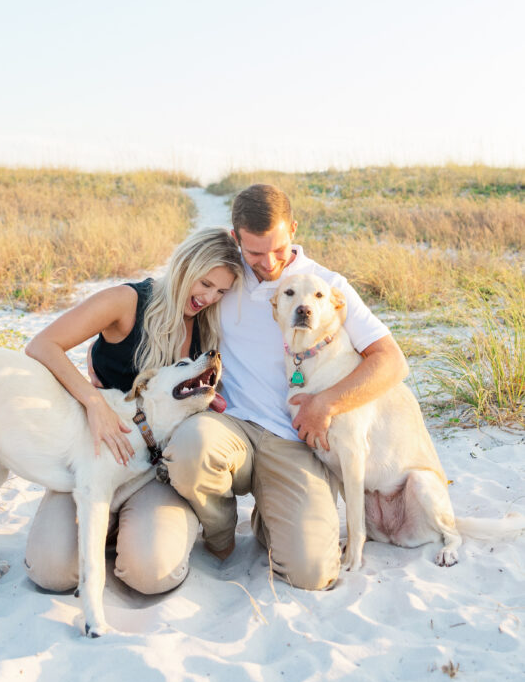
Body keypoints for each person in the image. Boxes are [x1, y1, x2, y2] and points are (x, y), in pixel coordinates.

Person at [164, 183, 409, 591]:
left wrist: (326, 404)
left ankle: (270, 517)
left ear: (293, 228)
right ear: (235, 237)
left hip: (294, 439)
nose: (269, 262)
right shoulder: (223, 278)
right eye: (255, 252)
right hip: (232, 425)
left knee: (311, 572)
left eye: (278, 248)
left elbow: (391, 362)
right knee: (191, 449)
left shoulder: (326, 287)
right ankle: (220, 533)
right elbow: (166, 296)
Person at [23, 226, 243, 594]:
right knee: (51, 572)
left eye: (220, 291)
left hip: (155, 471)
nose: (208, 297)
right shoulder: (126, 302)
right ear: (184, 265)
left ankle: (132, 529)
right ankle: (106, 526)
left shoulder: (209, 328)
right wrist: (93, 402)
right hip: (97, 453)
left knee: (150, 574)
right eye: (204, 283)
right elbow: (43, 345)